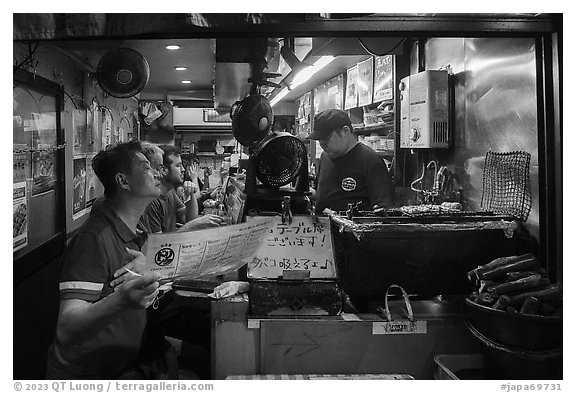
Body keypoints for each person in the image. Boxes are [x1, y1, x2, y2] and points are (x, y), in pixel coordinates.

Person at [46, 140, 165, 379]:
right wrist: (122, 299)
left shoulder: (137, 231)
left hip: (120, 367)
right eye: (146, 167)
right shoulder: (93, 239)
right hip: (85, 375)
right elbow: (66, 329)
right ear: (123, 181)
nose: (156, 172)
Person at [309, 109, 396, 214]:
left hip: (350, 229)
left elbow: (384, 208)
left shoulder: (370, 160)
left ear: (345, 131)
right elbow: (322, 195)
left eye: (327, 139)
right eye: (319, 141)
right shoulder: (325, 157)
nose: (323, 145)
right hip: (321, 228)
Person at [139, 145, 222, 234]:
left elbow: (188, 218)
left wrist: (191, 193)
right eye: (178, 166)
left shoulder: (170, 192)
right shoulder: (152, 201)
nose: (183, 169)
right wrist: (192, 225)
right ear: (164, 170)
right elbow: (158, 243)